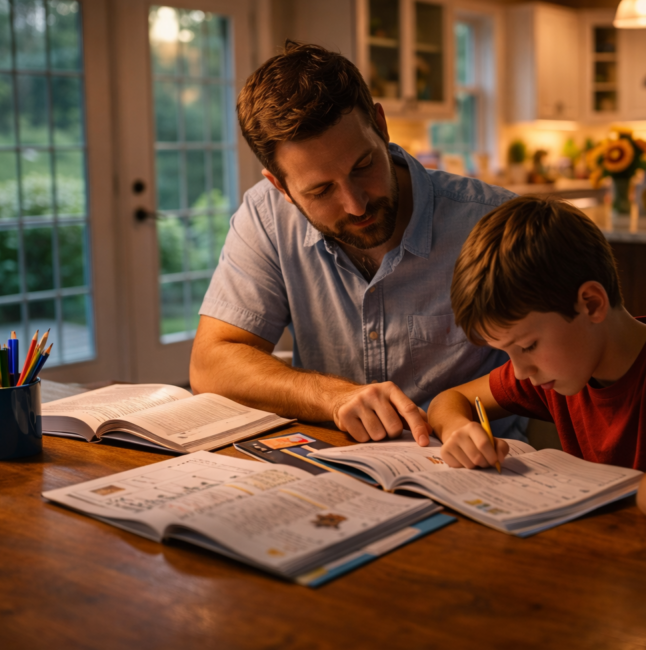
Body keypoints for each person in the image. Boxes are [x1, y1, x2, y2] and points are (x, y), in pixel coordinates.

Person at [190, 41, 525, 445]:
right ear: (280, 186)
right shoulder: (266, 218)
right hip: (335, 470)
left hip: (481, 472)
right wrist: (333, 397)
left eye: (363, 165)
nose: (355, 203)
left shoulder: (491, 221)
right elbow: (211, 364)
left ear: (381, 125)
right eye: (320, 190)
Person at [426, 197, 646, 537]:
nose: (519, 372)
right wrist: (458, 429)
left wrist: (594, 484)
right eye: (507, 352)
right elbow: (450, 399)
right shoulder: (560, 367)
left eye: (527, 346)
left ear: (591, 303)